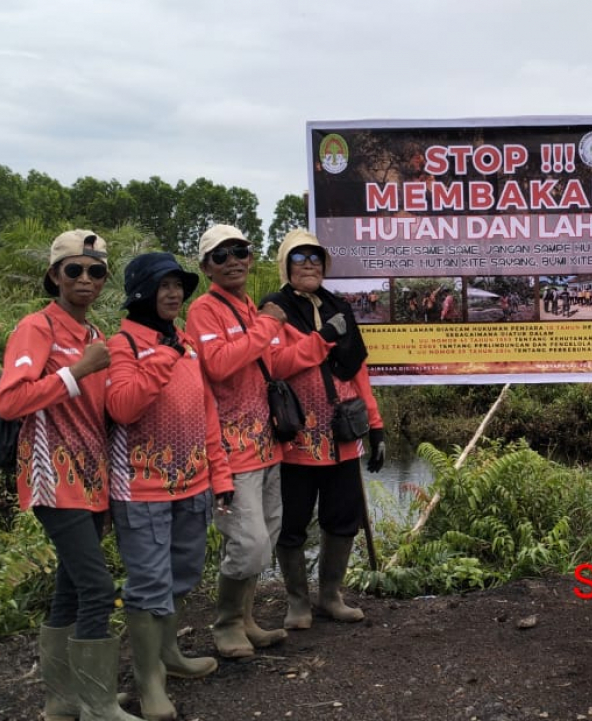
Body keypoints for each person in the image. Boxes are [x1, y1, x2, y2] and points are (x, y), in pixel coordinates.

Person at [0, 230, 142, 720]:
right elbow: (10, 399)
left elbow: (106, 413)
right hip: (51, 479)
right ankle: (99, 705)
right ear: (54, 276)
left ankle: (64, 700)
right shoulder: (36, 328)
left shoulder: (95, 337)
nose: (86, 279)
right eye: (74, 270)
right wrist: (76, 372)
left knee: (72, 586)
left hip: (94, 479)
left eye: (96, 270)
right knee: (99, 589)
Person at [186, 224, 330, 658]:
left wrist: (321, 344)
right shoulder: (204, 311)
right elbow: (217, 365)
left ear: (251, 257)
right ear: (206, 266)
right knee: (246, 545)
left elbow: (273, 365)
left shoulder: (251, 308)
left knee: (266, 536)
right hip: (230, 450)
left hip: (268, 444)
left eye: (240, 251)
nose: (232, 260)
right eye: (220, 255)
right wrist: (267, 323)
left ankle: (246, 618)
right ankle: (226, 622)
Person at [107, 253, 234, 720]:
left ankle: (170, 657)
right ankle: (149, 685)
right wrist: (162, 356)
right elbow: (122, 407)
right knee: (147, 586)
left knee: (183, 575)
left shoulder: (185, 342)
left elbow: (206, 416)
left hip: (193, 486)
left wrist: (220, 476)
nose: (174, 293)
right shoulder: (122, 344)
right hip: (141, 491)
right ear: (140, 290)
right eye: (163, 285)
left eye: (179, 285)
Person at [265, 230, 386, 630]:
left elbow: (358, 371)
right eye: (299, 258)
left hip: (343, 434)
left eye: (315, 257)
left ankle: (331, 595)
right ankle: (297, 602)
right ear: (286, 264)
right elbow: (277, 364)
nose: (309, 264)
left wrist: (377, 426)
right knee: (293, 520)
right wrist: (323, 339)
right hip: (296, 435)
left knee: (342, 516)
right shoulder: (274, 310)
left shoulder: (340, 307)